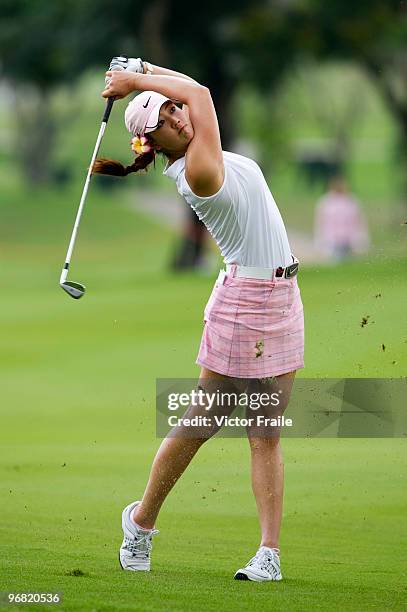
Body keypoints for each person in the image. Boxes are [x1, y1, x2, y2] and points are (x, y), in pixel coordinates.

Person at [93, 56, 304, 582]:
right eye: (164, 121)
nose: (177, 117)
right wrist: (136, 82)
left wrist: (142, 67)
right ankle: (140, 523)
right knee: (201, 423)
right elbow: (202, 93)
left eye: (173, 111)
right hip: (244, 305)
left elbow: (190, 93)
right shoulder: (197, 171)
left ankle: (269, 555)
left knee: (266, 432)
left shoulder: (202, 144)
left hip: (283, 295)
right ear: (154, 143)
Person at [314, 175, 370, 261]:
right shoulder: (326, 203)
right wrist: (321, 241)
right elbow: (321, 223)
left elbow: (358, 222)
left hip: (349, 240)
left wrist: (361, 240)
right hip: (332, 241)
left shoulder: (351, 201)